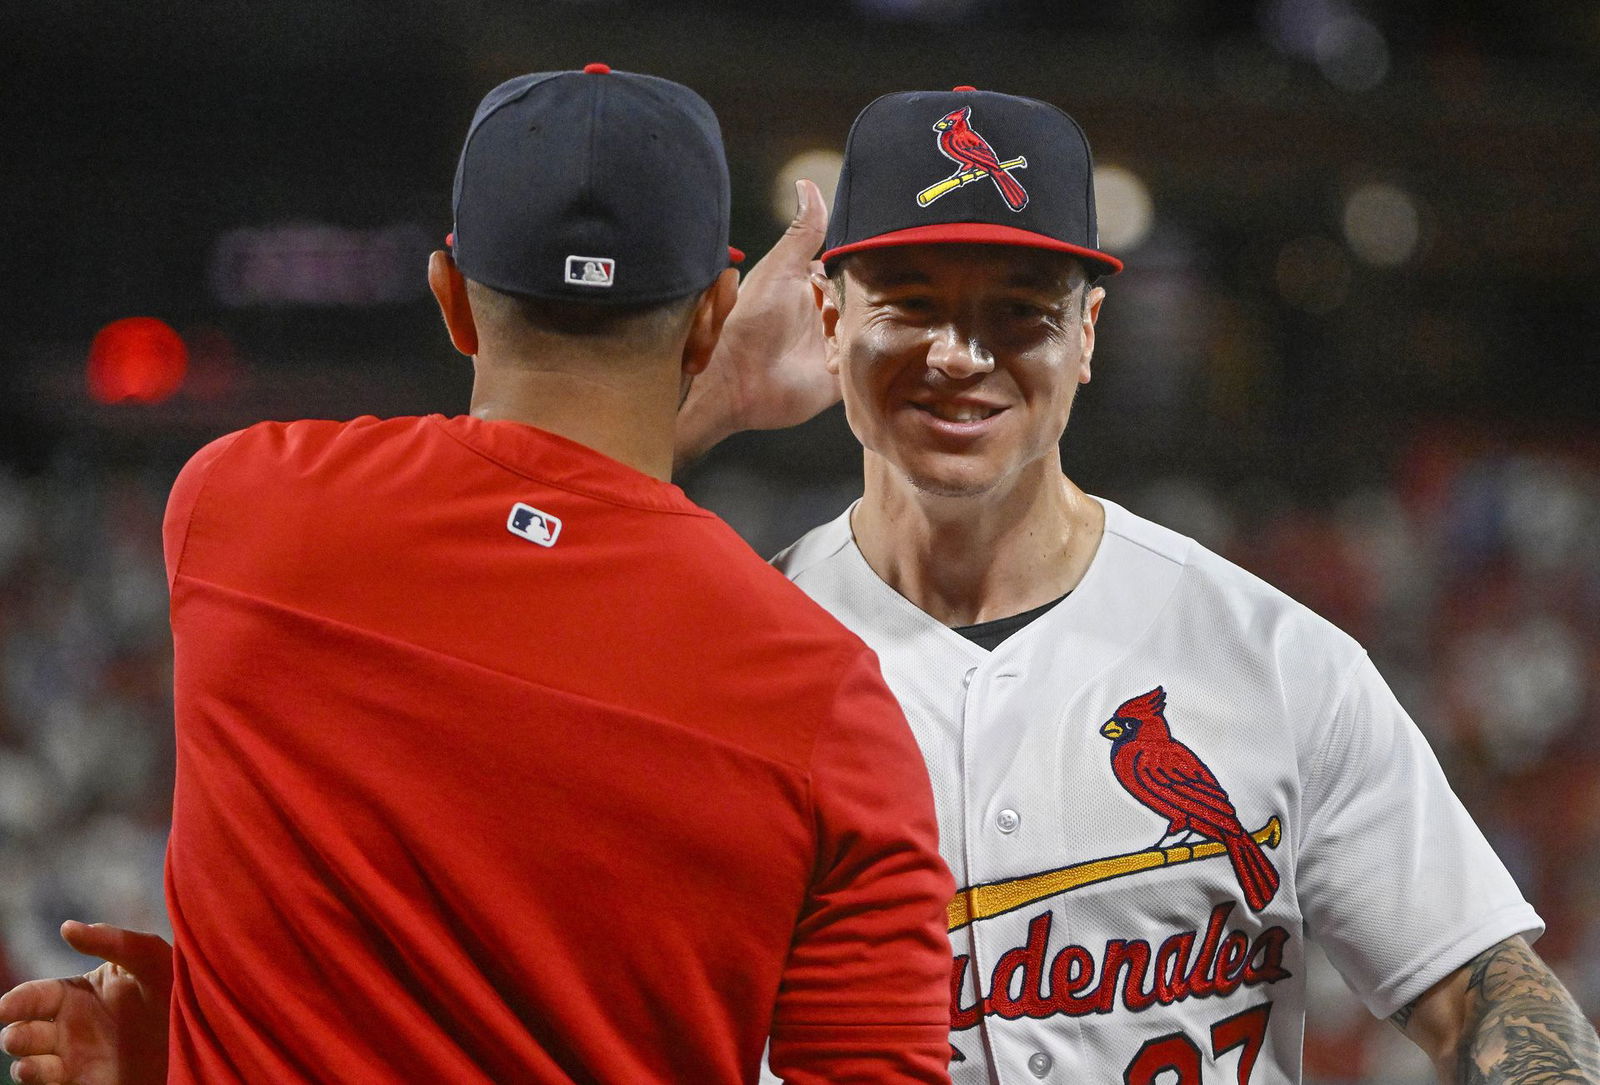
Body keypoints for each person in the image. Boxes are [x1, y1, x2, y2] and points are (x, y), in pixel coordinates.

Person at [8, 84, 1600, 1085]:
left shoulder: (1279, 661)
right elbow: (544, 540)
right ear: (810, 317)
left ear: (1095, 332)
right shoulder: (767, 657)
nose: (963, 351)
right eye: (909, 298)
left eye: (1024, 306)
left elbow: (1495, 1000)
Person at [0, 68, 956, 1084]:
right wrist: (706, 386)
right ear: (713, 312)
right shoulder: (832, 708)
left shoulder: (239, 510)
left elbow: (513, 537)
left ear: (450, 298)